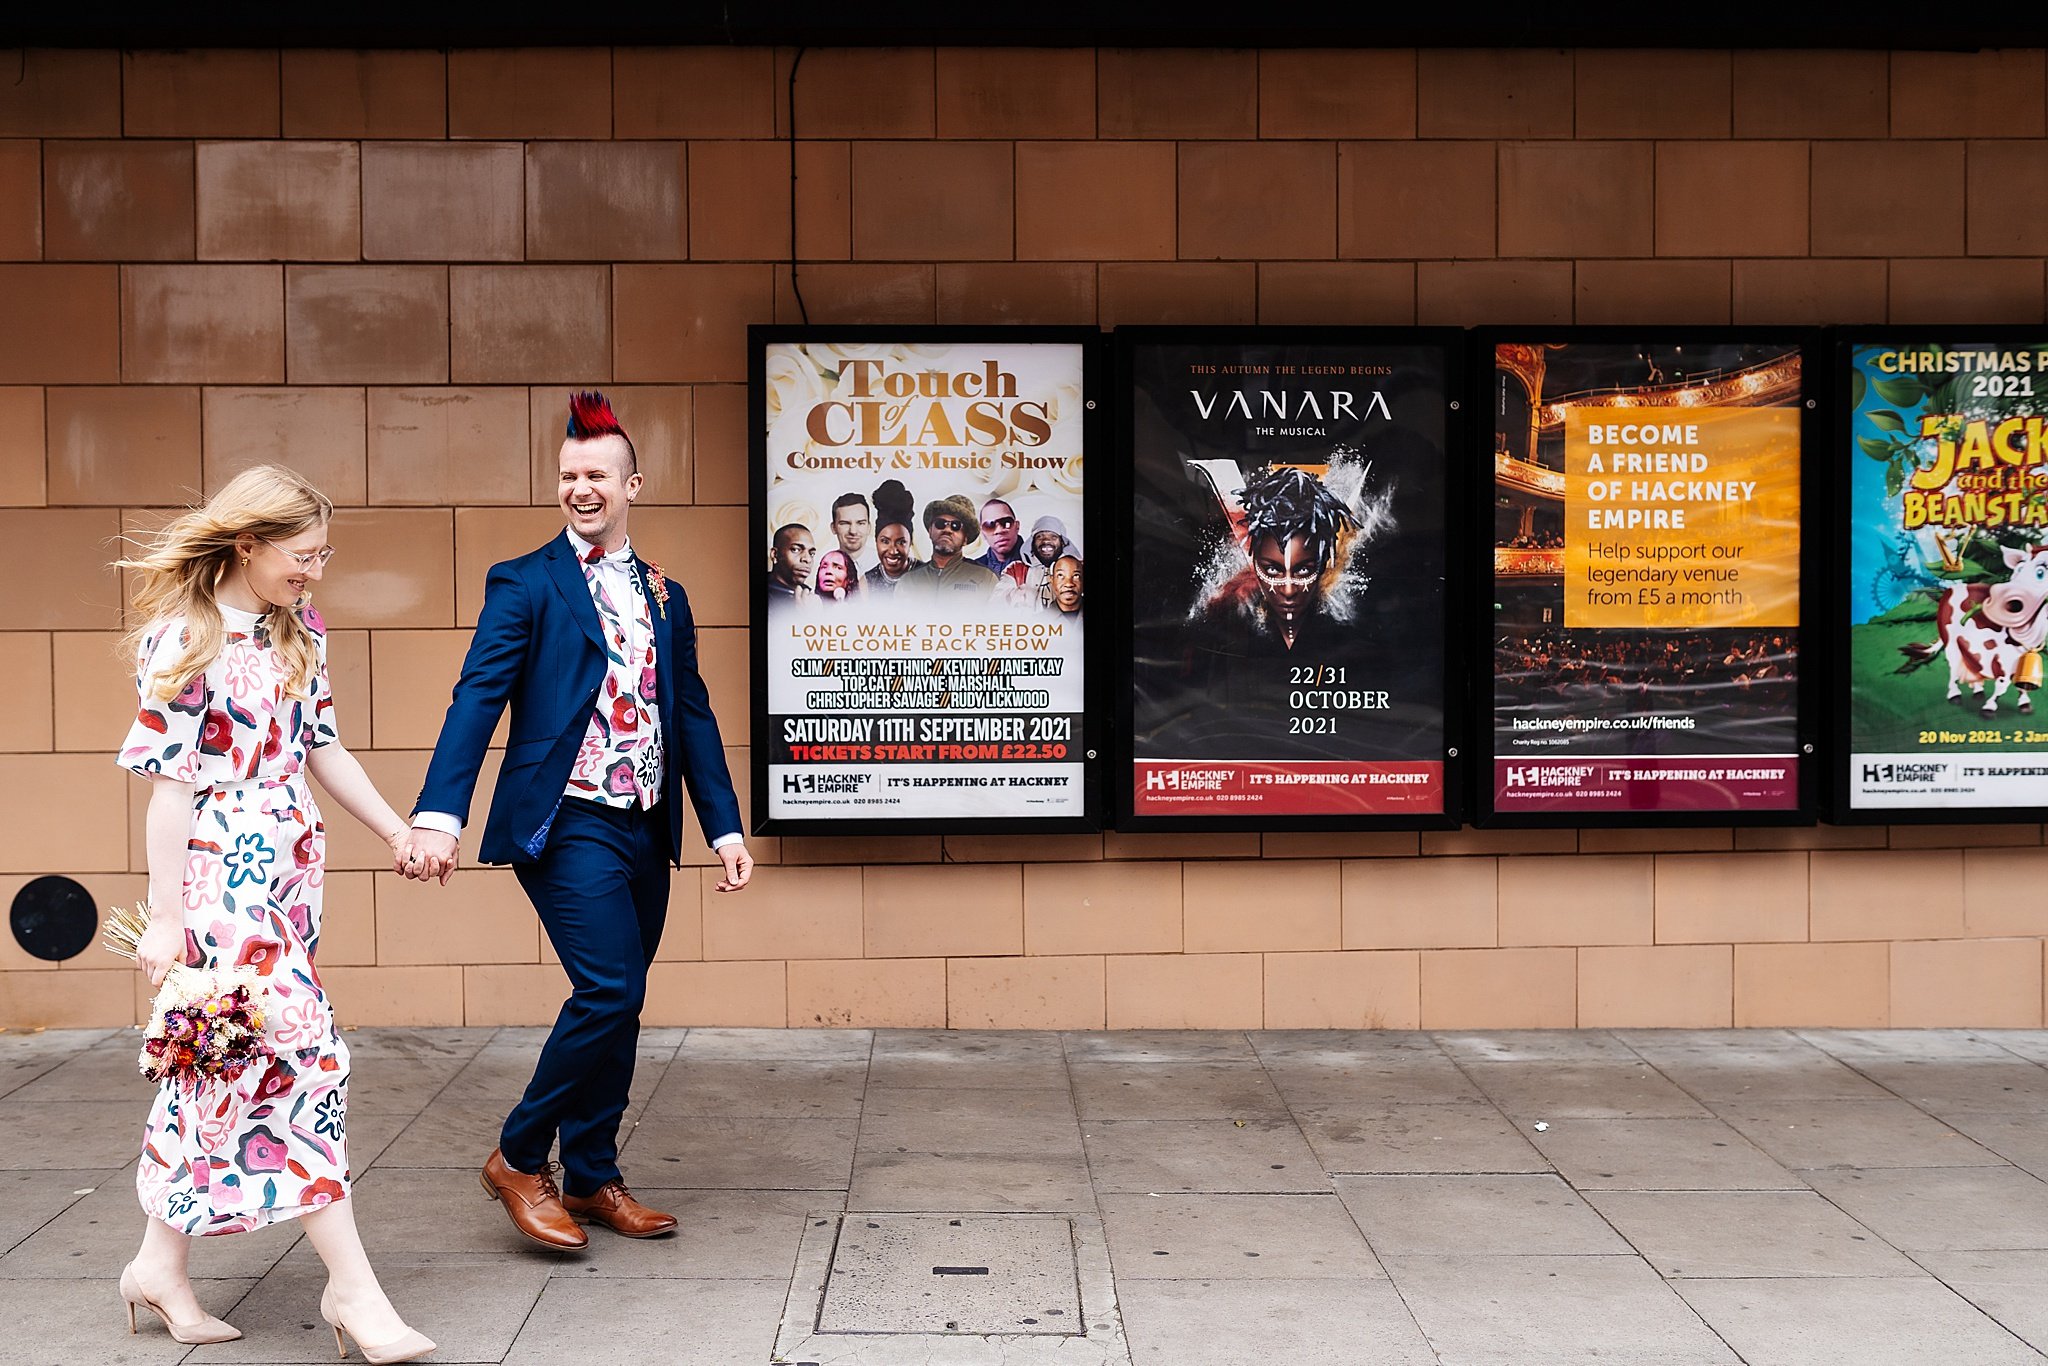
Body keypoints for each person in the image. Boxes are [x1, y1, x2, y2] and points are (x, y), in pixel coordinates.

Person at [410, 392, 753, 1253]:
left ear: (632, 484)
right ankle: (521, 1157)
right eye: (568, 476)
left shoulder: (666, 595)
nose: (579, 488)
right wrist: (439, 814)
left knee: (623, 1006)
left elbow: (694, 716)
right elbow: (476, 697)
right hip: (563, 820)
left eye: (596, 474)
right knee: (608, 989)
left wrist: (724, 828)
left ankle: (594, 1173)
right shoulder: (524, 581)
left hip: (645, 824)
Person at [115, 465, 434, 1362]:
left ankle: (157, 1266)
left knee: (215, 1064)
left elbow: (323, 748)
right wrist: (170, 920)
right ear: (247, 544)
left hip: (290, 881)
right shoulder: (183, 638)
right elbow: (169, 792)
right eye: (302, 554)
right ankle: (353, 1290)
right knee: (303, 1060)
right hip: (222, 888)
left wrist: (396, 831)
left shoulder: (302, 632)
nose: (315, 571)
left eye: (324, 554)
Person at [1200, 466, 1357, 655]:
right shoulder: (1223, 624)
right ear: (1254, 563)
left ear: (1323, 564)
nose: (1288, 590)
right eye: (1273, 570)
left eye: (1304, 570)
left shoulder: (1349, 633)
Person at [903, 494, 998, 601]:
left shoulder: (985, 579)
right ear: (930, 531)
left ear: (965, 538)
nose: (947, 530)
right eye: (940, 523)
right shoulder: (908, 582)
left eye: (955, 526)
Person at [1020, 514, 1078, 608]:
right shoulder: (1016, 569)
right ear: (1032, 543)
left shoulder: (1078, 569)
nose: (1046, 541)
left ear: (1063, 543)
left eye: (1053, 537)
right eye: (1040, 537)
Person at [863, 519, 921, 597]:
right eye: (885, 541)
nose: (893, 551)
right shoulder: (866, 582)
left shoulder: (927, 576)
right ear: (876, 542)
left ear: (910, 543)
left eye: (901, 542)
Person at [765, 523, 815, 612]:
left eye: (811, 554)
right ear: (775, 554)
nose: (807, 559)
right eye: (795, 550)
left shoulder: (812, 596)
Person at [828, 493, 876, 573]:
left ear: (869, 527)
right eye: (845, 523)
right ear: (833, 528)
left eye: (860, 523)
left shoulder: (884, 564)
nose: (853, 531)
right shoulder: (826, 566)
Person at [974, 498, 1025, 573]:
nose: (999, 531)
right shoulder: (973, 570)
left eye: (1006, 523)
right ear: (982, 533)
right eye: (989, 525)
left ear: (1017, 526)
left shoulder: (1039, 564)